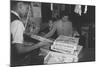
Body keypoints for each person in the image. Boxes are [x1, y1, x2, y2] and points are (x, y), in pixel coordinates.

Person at [11, 1, 51, 66]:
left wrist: (27, 34)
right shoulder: (17, 23)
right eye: (27, 8)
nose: (27, 12)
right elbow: (19, 50)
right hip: (15, 60)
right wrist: (39, 45)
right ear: (20, 6)